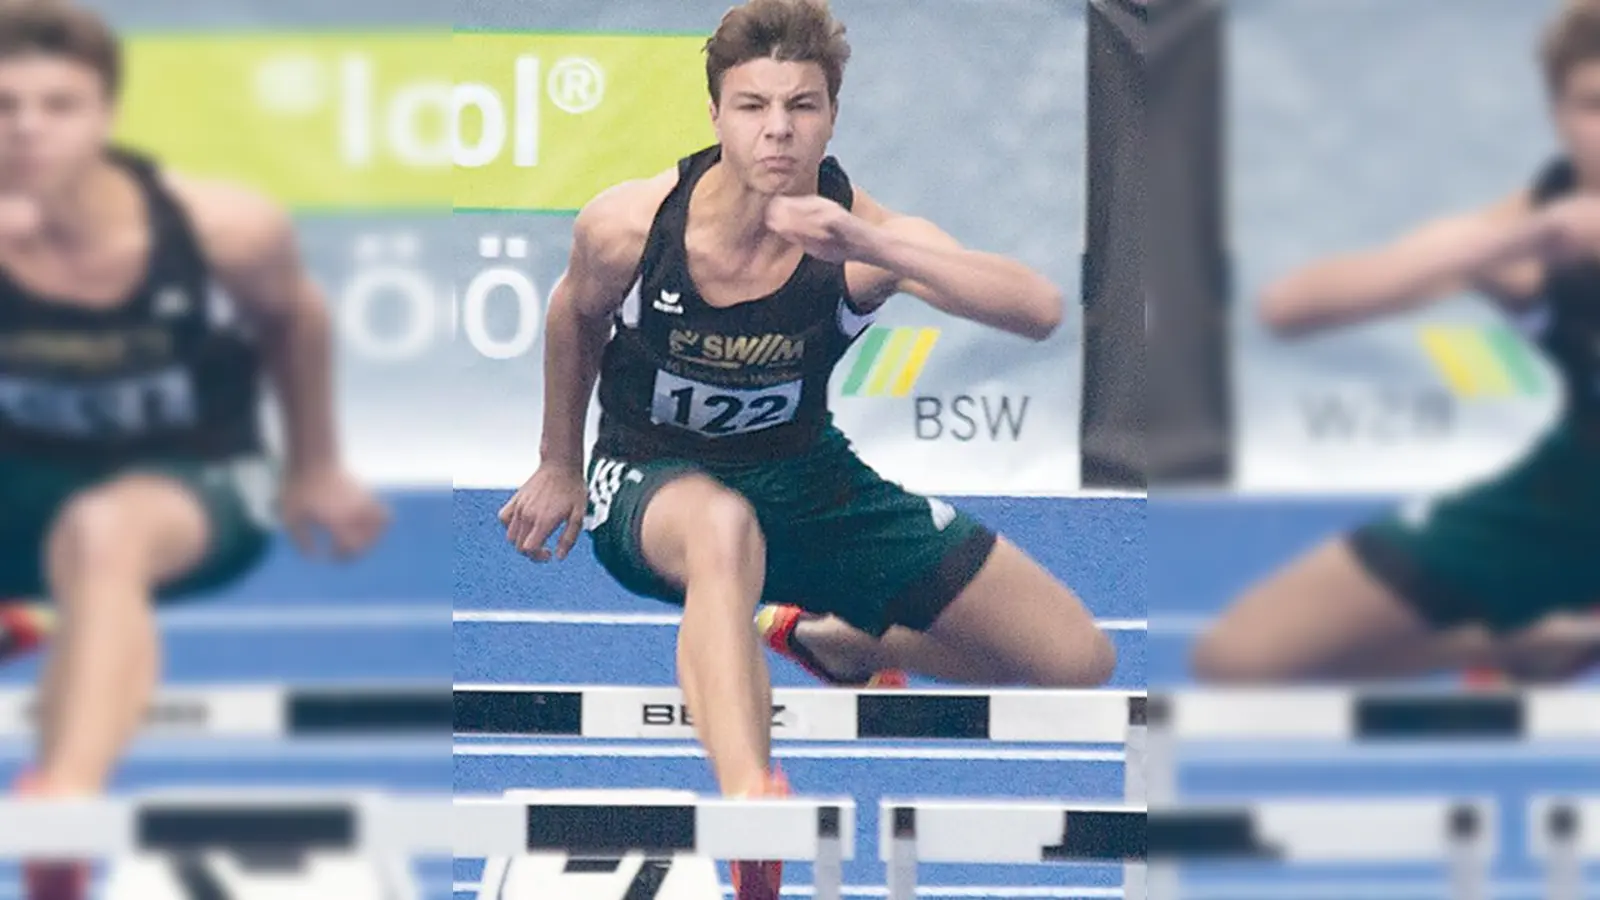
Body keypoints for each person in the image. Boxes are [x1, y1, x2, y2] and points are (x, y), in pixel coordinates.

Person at [496, 0, 1116, 895]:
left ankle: (835, 644)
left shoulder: (857, 239)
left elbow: (1039, 310)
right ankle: (756, 803)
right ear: (715, 114)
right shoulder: (630, 226)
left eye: (802, 106)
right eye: (753, 106)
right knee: (723, 534)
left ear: (832, 116)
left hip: (807, 475)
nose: (777, 131)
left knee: (1075, 660)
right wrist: (559, 461)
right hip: (652, 477)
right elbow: (574, 313)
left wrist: (870, 242)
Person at [0, 3, 387, 897]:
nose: (27, 130)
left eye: (56, 105)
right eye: (4, 106)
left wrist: (317, 464)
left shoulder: (221, 228)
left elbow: (294, 315)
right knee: (74, 535)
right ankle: (41, 616)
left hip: (193, 472)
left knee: (104, 536)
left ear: (104, 112)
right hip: (23, 478)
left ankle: (63, 804)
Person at [1191, 0, 1600, 686]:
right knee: (1237, 658)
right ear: (1557, 116)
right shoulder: (1530, 231)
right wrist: (1519, 242)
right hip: (1574, 490)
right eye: (1593, 105)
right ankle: (1528, 637)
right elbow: (1290, 308)